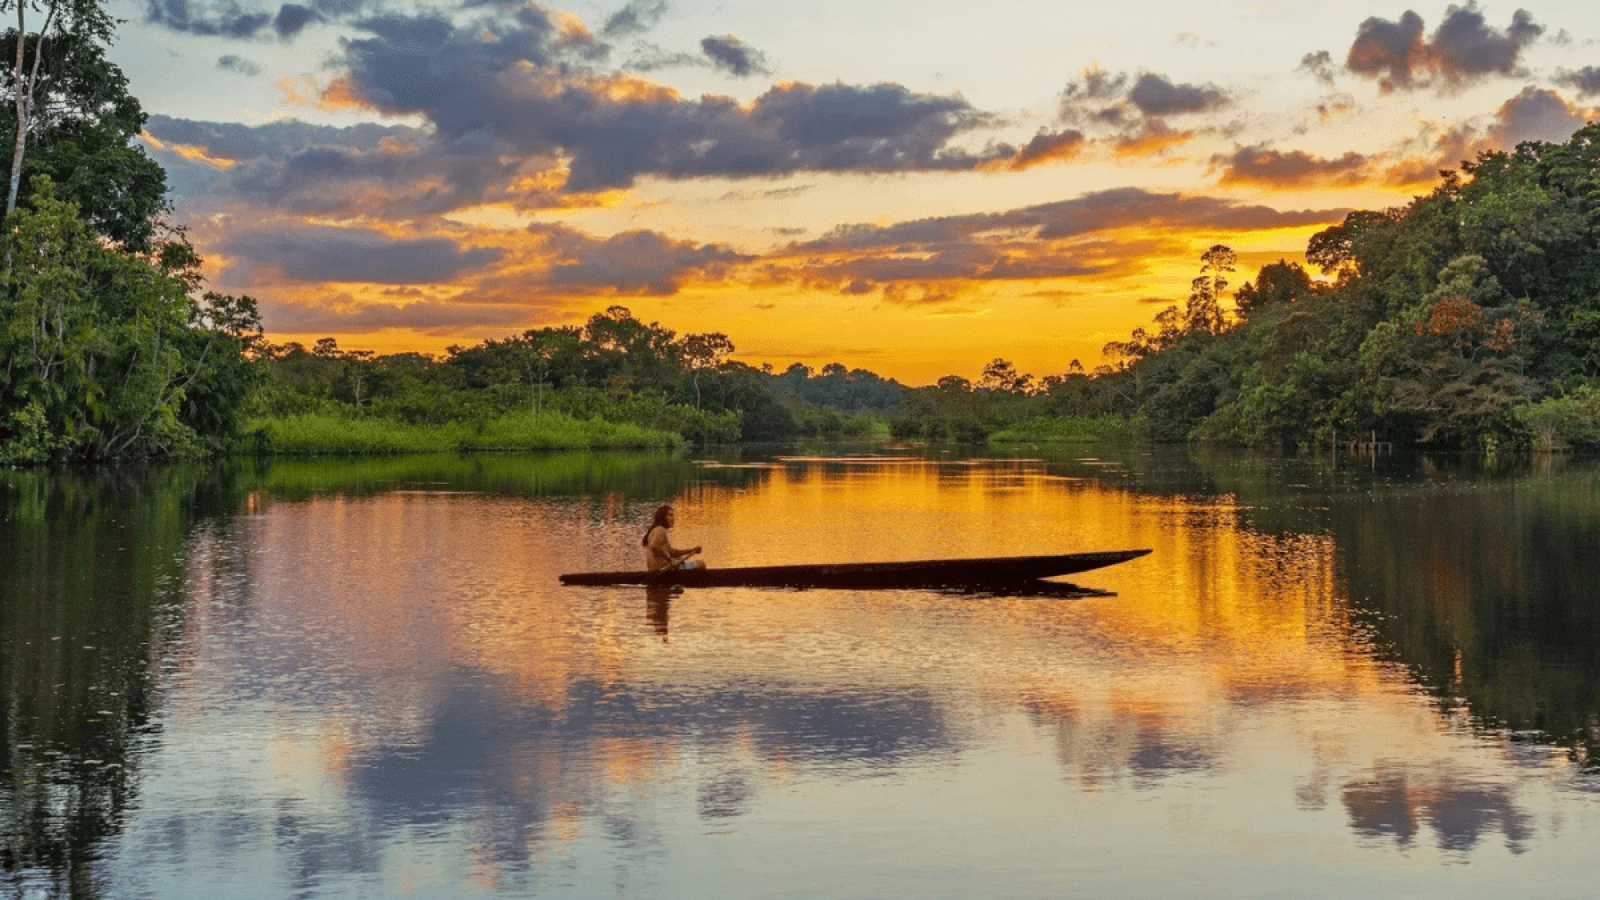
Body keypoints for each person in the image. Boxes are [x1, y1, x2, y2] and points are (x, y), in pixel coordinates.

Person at [643, 504, 703, 572]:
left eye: (673, 515)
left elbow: (672, 552)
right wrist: (670, 560)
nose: (673, 518)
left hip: (657, 570)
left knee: (679, 558)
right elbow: (653, 545)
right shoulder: (660, 530)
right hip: (664, 570)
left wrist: (691, 550)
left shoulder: (655, 530)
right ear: (662, 517)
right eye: (670, 515)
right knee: (701, 564)